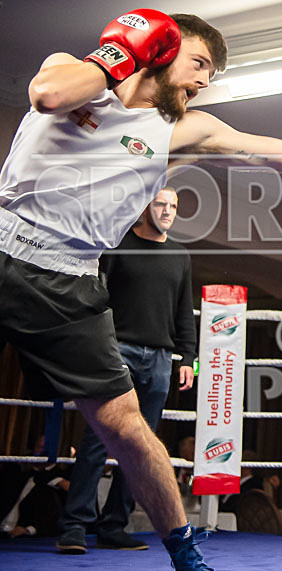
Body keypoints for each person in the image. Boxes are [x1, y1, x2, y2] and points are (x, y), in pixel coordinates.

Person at [1, 9, 282, 569]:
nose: (204, 81)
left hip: (70, 277)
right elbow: (49, 94)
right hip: (4, 240)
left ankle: (183, 553)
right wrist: (120, 54)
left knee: (127, 427)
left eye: (212, 74)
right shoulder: (68, 70)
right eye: (199, 64)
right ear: (162, 48)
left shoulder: (184, 127)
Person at [57, 187, 197, 553]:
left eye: (174, 206)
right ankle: (74, 525)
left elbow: (184, 312)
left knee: (141, 445)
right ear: (145, 206)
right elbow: (95, 299)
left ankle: (114, 525)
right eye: (161, 204)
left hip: (162, 359)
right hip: (118, 352)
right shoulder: (118, 246)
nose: (168, 211)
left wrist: (187, 358)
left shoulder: (180, 256)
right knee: (97, 439)